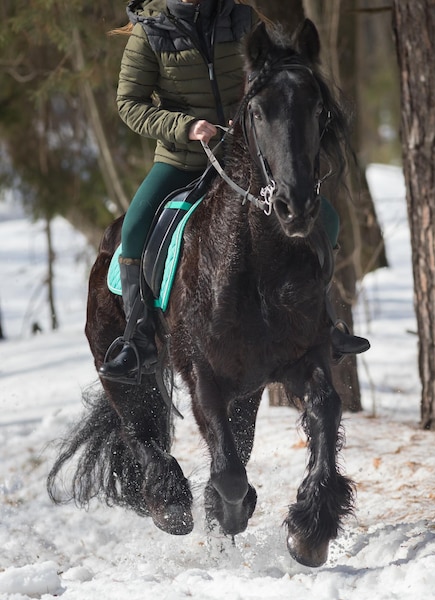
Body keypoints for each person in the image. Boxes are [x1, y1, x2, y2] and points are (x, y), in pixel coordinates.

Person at [99, 0, 369, 381]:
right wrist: (186, 126)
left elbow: (270, 78)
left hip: (247, 158)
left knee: (325, 216)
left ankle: (322, 320)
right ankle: (139, 338)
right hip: (182, 159)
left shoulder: (243, 20)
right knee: (134, 229)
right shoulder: (150, 32)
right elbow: (129, 103)